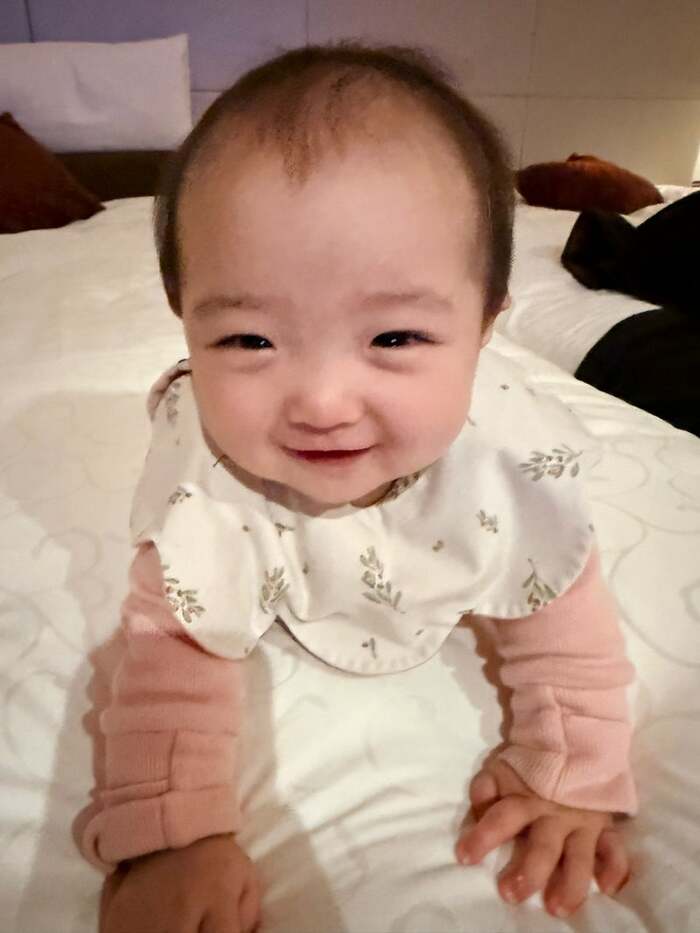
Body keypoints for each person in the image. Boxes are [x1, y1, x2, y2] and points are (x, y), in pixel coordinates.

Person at [80, 42, 637, 933]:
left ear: (486, 323)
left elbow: (558, 603)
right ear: (184, 320)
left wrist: (571, 766)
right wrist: (173, 836)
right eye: (248, 340)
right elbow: (172, 644)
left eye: (395, 338)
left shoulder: (506, 458)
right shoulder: (207, 475)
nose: (322, 403)